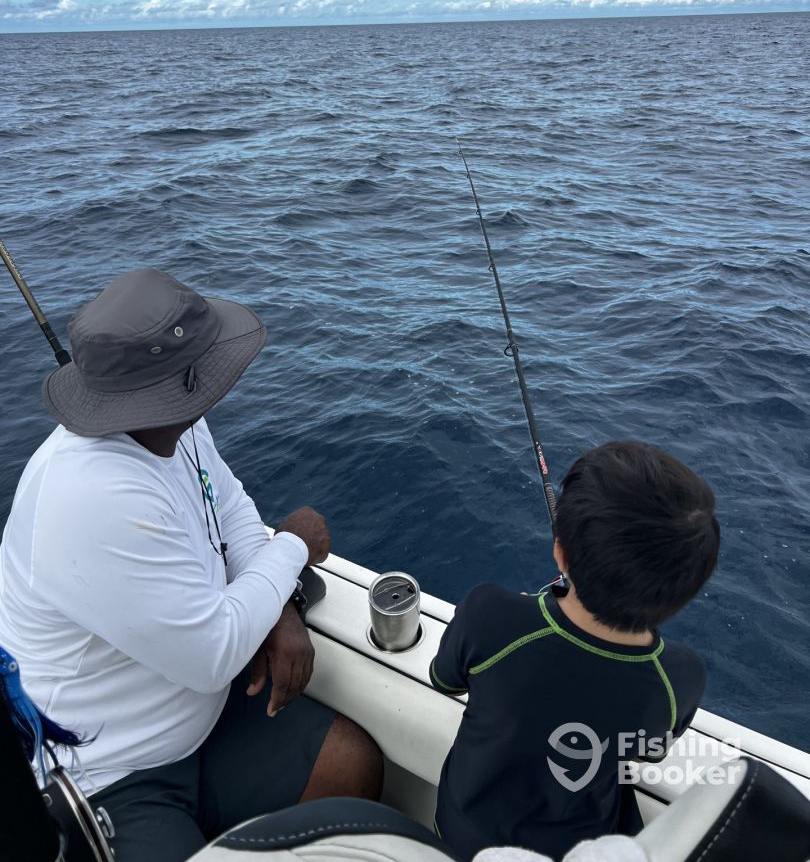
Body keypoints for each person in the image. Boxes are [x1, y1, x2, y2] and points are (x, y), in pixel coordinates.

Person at [0, 267, 382, 862]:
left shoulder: (171, 427)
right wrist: (292, 547)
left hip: (200, 717)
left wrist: (281, 606)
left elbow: (229, 506)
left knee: (352, 765)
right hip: (111, 772)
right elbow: (213, 656)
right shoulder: (91, 495)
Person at [429, 441, 720, 861]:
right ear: (687, 590)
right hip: (579, 846)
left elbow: (444, 680)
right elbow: (646, 751)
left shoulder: (488, 614)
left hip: (462, 833)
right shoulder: (681, 676)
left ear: (560, 551)